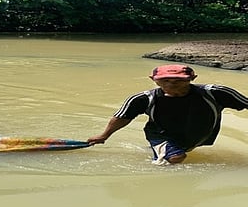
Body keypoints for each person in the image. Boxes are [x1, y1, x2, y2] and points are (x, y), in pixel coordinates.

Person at [87, 64, 248, 165]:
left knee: (181, 150)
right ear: (154, 80)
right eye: (165, 81)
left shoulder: (215, 93)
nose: (171, 85)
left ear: (192, 78)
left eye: (178, 81)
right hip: (160, 133)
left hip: (196, 135)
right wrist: (104, 136)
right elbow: (122, 117)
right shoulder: (143, 99)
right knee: (177, 157)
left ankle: (159, 151)